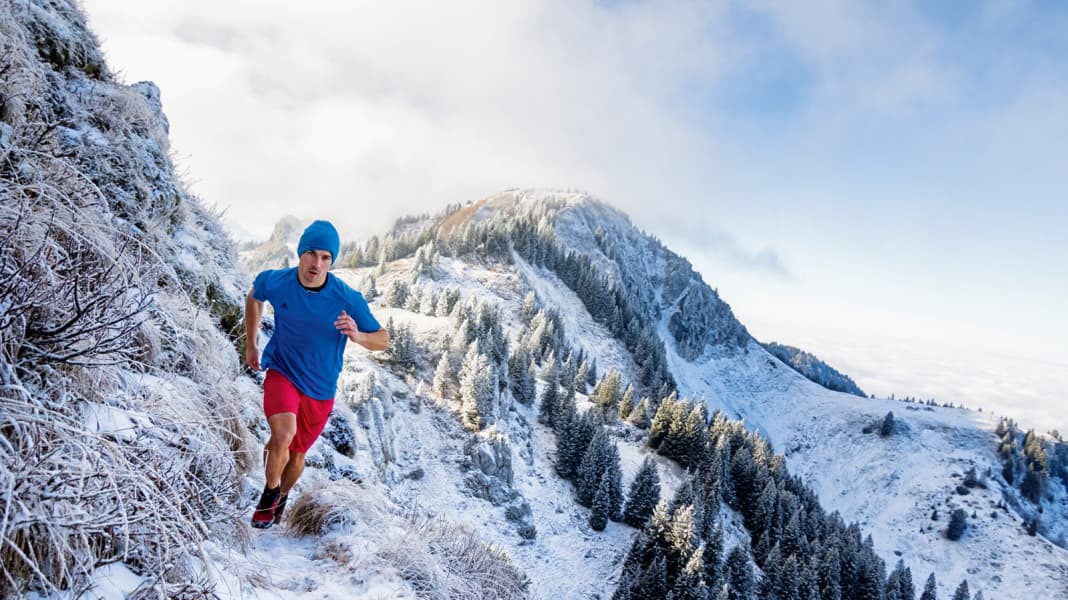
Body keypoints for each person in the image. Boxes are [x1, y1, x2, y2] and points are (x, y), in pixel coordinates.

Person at [244, 220, 388, 529]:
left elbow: (383, 338)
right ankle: (269, 494)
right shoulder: (277, 281)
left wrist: (358, 336)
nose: (317, 263)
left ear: (332, 261)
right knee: (282, 435)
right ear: (300, 253)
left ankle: (282, 496)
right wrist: (252, 343)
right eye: (312, 254)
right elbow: (254, 296)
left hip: (320, 388)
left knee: (296, 456)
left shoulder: (346, 298)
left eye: (326, 257)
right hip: (282, 370)